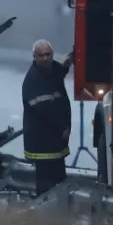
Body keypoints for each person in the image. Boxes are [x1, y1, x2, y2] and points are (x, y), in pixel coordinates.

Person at [22, 39, 72, 196]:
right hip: (42, 142)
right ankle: (45, 215)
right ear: (34, 57)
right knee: (46, 185)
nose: (45, 58)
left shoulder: (51, 72)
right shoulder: (33, 80)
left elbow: (58, 72)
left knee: (59, 180)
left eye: (48, 54)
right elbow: (46, 109)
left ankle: (59, 212)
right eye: (41, 55)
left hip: (55, 142)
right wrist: (63, 127)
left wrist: (68, 62)